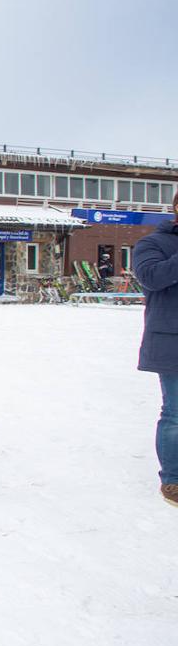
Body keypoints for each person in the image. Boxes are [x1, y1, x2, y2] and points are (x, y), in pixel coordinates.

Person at [133, 192, 178, 508]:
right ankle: (173, 479)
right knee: (176, 413)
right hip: (171, 340)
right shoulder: (152, 244)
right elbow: (150, 277)